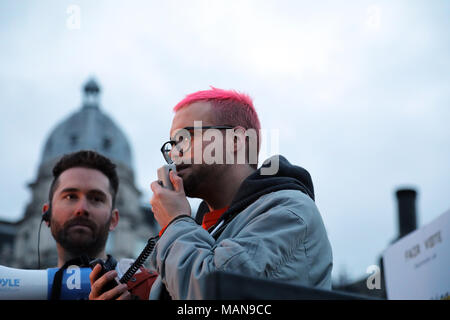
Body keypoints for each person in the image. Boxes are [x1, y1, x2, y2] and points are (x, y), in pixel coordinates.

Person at [149, 87, 333, 299]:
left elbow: (213, 295)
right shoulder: (199, 229)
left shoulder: (291, 213)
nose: (174, 153)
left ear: (235, 140)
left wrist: (175, 223)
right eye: (172, 144)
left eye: (186, 137)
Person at [42, 150, 156, 300]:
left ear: (114, 219)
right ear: (47, 213)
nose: (81, 209)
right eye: (70, 196)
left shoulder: (153, 289)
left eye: (96, 199)